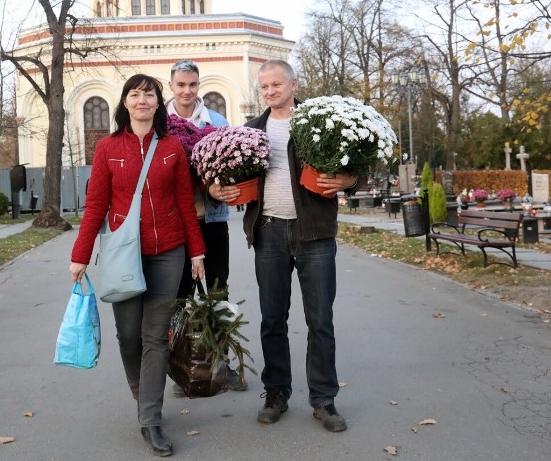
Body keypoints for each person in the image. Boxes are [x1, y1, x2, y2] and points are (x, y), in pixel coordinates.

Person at [217, 59, 360, 432]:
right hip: (268, 234)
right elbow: (228, 180)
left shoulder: (319, 125)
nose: (270, 92)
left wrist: (349, 180)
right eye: (264, 87)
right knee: (272, 319)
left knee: (320, 320)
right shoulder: (250, 132)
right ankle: (276, 391)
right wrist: (221, 188)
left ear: (294, 84)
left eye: (277, 85)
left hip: (314, 234)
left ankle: (324, 399)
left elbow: (357, 165)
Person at [69, 74, 206, 457]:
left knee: (154, 337)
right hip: (122, 255)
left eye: (149, 94)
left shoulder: (173, 147)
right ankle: (143, 393)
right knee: (128, 336)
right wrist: (80, 255)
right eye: (135, 94)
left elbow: (185, 203)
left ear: (157, 103)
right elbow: (95, 204)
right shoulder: (107, 148)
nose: (142, 100)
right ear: (125, 103)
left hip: (168, 253)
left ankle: (150, 418)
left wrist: (196, 252)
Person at [165, 59, 247, 394]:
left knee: (217, 291)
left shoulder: (216, 122)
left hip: (210, 221)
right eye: (181, 85)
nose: (187, 91)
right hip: (175, 224)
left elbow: (233, 168)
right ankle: (182, 368)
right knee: (179, 295)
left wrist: (220, 186)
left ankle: (220, 364)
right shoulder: (161, 123)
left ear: (199, 86)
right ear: (171, 86)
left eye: (193, 85)